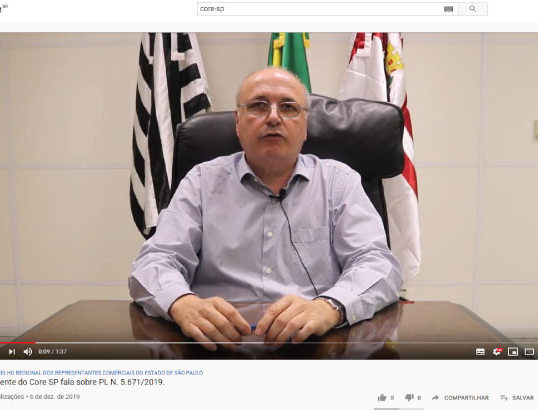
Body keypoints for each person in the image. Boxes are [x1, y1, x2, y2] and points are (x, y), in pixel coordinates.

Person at [129, 67, 402, 351]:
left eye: (288, 107)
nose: (273, 117)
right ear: (238, 122)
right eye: (258, 106)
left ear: (305, 126)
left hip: (313, 346)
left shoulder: (339, 182)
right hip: (220, 346)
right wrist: (181, 303)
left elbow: (379, 265)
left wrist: (330, 306)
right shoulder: (201, 182)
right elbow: (155, 262)